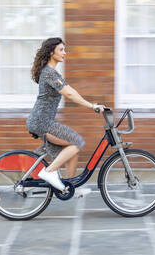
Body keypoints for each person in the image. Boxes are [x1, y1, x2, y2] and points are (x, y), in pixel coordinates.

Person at [26, 37, 105, 198]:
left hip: (44, 121)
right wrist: (91, 106)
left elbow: (71, 90)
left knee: (73, 150)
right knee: (76, 142)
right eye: (61, 50)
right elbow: (69, 93)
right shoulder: (49, 73)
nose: (64, 53)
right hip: (43, 122)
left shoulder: (53, 73)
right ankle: (48, 172)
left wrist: (91, 104)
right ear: (51, 52)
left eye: (64, 50)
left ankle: (70, 187)